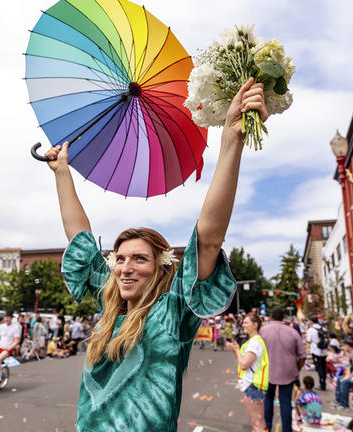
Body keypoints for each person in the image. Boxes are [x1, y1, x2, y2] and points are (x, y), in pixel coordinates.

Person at [46, 77, 268, 431]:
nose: (125, 267)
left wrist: (231, 139)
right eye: (119, 258)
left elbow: (208, 239)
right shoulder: (108, 307)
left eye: (139, 259)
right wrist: (62, 173)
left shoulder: (172, 312)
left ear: (159, 268)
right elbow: (80, 239)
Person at [260, 307, 307, 432]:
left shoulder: (263, 331)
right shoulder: (292, 332)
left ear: (271, 317)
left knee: (268, 399)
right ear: (283, 318)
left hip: (267, 372)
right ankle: (287, 429)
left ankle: (267, 427)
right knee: (285, 402)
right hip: (288, 372)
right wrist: (297, 369)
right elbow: (302, 356)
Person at [225, 313, 269, 432]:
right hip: (255, 386)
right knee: (260, 423)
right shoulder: (255, 341)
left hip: (252, 386)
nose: (242, 325)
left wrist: (237, 351)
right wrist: (236, 351)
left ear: (255, 325)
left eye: (246, 322)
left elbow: (244, 365)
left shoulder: (254, 342)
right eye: (243, 322)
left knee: (256, 425)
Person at [306, 315, 328, 391]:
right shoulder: (323, 328)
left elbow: (308, 340)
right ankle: (323, 383)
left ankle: (322, 385)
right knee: (323, 368)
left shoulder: (311, 330)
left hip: (316, 351)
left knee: (319, 369)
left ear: (311, 321)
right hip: (324, 351)